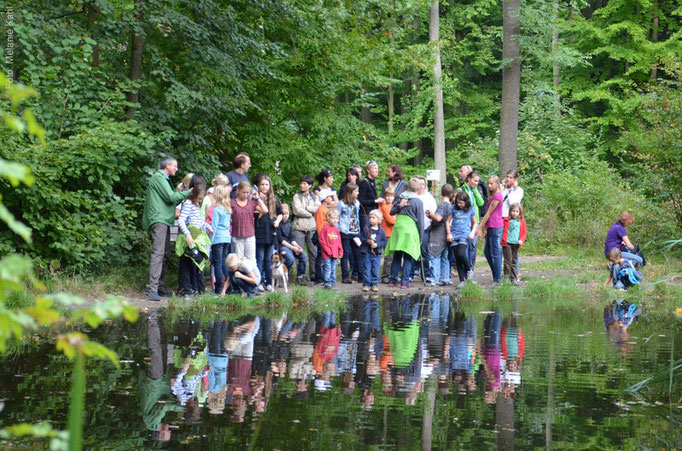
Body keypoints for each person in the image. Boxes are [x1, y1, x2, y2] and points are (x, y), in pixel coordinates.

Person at [142, 157, 191, 301]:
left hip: (164, 219)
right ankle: (152, 289)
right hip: (159, 219)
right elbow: (170, 197)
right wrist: (188, 192)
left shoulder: (164, 179)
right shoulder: (159, 178)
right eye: (175, 166)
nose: (177, 169)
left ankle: (159, 287)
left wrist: (183, 194)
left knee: (165, 254)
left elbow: (173, 198)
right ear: (167, 165)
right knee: (158, 254)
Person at [177, 175, 213, 297]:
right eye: (200, 197)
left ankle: (194, 289)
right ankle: (185, 290)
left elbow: (198, 221)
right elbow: (182, 220)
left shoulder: (196, 204)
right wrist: (187, 235)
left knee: (194, 262)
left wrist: (207, 226)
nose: (201, 199)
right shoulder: (188, 203)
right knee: (186, 263)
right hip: (189, 237)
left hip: (196, 236)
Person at [385, 178, 424, 289]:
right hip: (409, 229)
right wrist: (420, 238)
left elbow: (392, 212)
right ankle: (405, 281)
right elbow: (420, 221)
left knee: (397, 255)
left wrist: (400, 205)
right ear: (418, 188)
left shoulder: (402, 197)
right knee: (408, 255)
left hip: (398, 228)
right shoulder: (418, 201)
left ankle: (392, 280)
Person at [253, 173, 282, 291]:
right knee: (259, 258)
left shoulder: (274, 199)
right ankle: (258, 281)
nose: (264, 187)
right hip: (259, 231)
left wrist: (278, 221)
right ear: (258, 186)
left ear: (270, 186)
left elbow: (280, 213)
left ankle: (269, 282)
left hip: (271, 232)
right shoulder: (255, 198)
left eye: (266, 185)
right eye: (262, 185)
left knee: (269, 258)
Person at [292, 175, 321, 282]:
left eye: (304, 184)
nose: (302, 185)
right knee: (299, 252)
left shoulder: (314, 197)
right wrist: (309, 213)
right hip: (299, 227)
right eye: (301, 183)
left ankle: (313, 275)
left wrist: (307, 208)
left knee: (313, 252)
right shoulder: (297, 196)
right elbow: (297, 210)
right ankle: (301, 276)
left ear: (310, 185)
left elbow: (317, 209)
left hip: (312, 228)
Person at [230, 180, 268, 261]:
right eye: (243, 192)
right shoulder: (232, 202)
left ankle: (252, 274)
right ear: (238, 191)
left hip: (250, 235)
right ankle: (239, 274)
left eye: (247, 192)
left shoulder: (251, 203)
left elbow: (265, 210)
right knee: (239, 260)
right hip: (237, 235)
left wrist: (258, 198)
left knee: (251, 260)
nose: (245, 195)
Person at [478, 175, 504, 283]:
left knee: (495, 253)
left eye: (491, 183)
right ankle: (496, 276)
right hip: (491, 227)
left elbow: (488, 213)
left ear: (497, 184)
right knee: (487, 252)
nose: (489, 186)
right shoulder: (493, 195)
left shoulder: (497, 196)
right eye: (488, 183)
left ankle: (497, 279)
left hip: (496, 227)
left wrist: (479, 228)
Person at [427, 184, 454, 287]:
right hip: (447, 234)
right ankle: (445, 278)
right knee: (445, 256)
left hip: (439, 233)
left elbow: (438, 218)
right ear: (451, 194)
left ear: (441, 193)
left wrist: (430, 214)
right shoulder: (451, 206)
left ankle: (435, 278)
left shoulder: (443, 205)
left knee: (435, 255)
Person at [449, 191, 478, 287]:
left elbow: (475, 222)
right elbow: (447, 221)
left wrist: (472, 232)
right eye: (457, 202)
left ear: (466, 202)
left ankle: (469, 270)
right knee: (457, 258)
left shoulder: (470, 210)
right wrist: (448, 233)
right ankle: (462, 281)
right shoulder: (453, 209)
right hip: (454, 235)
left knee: (461, 253)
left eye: (461, 202)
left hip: (464, 235)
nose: (459, 204)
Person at [461, 171, 485, 278]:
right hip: (465, 221)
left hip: (475, 221)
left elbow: (481, 203)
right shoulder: (462, 190)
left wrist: (475, 190)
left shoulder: (475, 190)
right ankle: (465, 268)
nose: (476, 183)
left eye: (478, 181)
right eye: (475, 181)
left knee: (473, 247)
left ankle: (471, 268)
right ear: (469, 179)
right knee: (464, 246)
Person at [336, 182, 362, 283]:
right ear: (350, 192)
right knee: (345, 253)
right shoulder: (341, 204)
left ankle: (360, 274)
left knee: (358, 253)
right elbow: (337, 217)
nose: (358, 193)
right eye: (356, 191)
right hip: (345, 231)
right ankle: (345, 275)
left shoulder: (357, 203)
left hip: (355, 231)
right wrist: (339, 229)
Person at [277, 204, 308, 284]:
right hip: (282, 246)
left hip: (290, 246)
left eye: (287, 214)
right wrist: (293, 248)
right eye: (283, 214)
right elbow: (281, 240)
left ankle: (300, 277)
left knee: (303, 255)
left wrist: (297, 247)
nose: (285, 216)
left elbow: (291, 238)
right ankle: (282, 276)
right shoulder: (277, 224)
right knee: (290, 259)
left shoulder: (289, 224)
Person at [210, 185, 232, 294]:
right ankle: (229, 286)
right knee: (224, 263)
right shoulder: (228, 209)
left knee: (217, 263)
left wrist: (209, 243)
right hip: (227, 238)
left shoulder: (217, 209)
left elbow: (213, 227)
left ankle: (218, 287)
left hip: (218, 239)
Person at [416, 175, 437, 283]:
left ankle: (426, 274)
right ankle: (412, 272)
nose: (420, 186)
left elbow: (434, 212)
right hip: (413, 228)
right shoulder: (412, 196)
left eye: (422, 184)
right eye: (418, 184)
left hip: (425, 227)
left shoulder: (429, 197)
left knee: (424, 251)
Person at [360, 209, 387, 292]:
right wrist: (367, 241)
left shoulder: (381, 230)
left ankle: (374, 284)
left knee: (375, 269)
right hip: (367, 252)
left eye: (373, 218)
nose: (371, 219)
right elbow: (362, 238)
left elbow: (384, 241)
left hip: (377, 253)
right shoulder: (366, 229)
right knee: (366, 268)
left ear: (379, 220)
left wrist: (377, 245)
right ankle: (366, 284)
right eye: (370, 217)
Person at [501, 203, 526, 285]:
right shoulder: (506, 220)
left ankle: (514, 278)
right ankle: (506, 278)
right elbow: (500, 229)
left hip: (516, 244)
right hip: (507, 243)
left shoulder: (521, 221)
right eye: (513, 211)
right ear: (510, 211)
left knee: (514, 261)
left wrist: (521, 240)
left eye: (517, 211)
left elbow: (524, 233)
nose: (515, 213)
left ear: (520, 213)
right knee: (508, 261)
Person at [318, 209, 343, 289]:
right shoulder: (325, 228)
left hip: (335, 253)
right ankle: (327, 283)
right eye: (333, 218)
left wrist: (340, 250)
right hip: (327, 254)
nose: (335, 220)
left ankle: (333, 283)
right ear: (328, 219)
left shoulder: (336, 229)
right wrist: (327, 250)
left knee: (333, 269)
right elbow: (321, 240)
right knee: (328, 268)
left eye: (336, 218)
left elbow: (339, 241)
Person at [358, 160, 385, 232]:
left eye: (377, 169)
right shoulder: (364, 183)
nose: (377, 171)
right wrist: (375, 201)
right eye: (375, 168)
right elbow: (360, 200)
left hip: (373, 214)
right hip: (366, 215)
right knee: (366, 235)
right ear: (368, 170)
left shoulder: (373, 182)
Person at [379, 187, 397, 283]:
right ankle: (385, 275)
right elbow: (390, 220)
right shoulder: (384, 207)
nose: (389, 198)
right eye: (387, 196)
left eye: (391, 196)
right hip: (386, 234)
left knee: (393, 256)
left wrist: (395, 219)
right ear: (385, 197)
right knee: (388, 256)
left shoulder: (394, 207)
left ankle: (392, 275)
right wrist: (395, 219)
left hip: (393, 234)